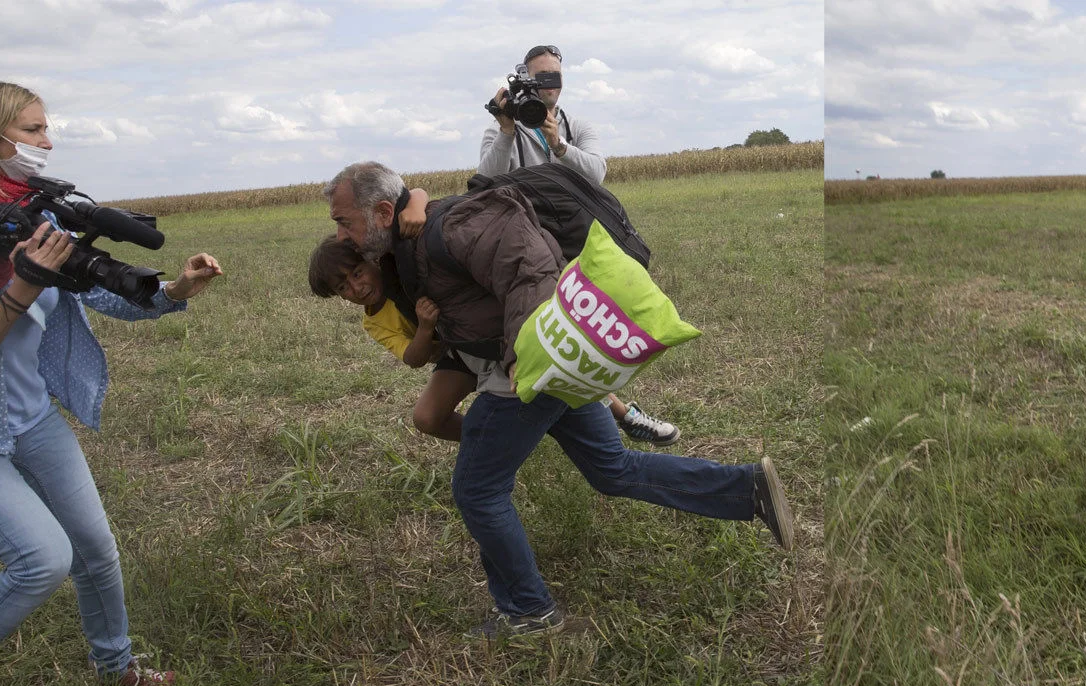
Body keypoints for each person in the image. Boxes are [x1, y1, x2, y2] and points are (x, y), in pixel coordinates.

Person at [324, 161, 796, 638]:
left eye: (344, 221)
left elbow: (528, 265)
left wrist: (518, 357)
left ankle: (529, 610)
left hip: (525, 371)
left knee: (477, 490)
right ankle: (746, 488)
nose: (342, 235)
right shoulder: (406, 239)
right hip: (542, 367)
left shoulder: (450, 225)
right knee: (614, 470)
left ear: (383, 211)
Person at [0, 78, 225, 686]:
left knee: (94, 547)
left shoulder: (38, 216)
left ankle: (116, 667)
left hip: (28, 416)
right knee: (41, 559)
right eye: (35, 129)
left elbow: (96, 292)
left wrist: (176, 288)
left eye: (46, 127)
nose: (49, 140)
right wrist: (22, 284)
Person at [306, 230, 680, 445]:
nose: (355, 288)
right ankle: (503, 444)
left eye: (356, 274)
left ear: (370, 259)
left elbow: (415, 208)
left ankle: (627, 415)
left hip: (482, 333)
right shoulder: (373, 319)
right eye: (343, 288)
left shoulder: (398, 264)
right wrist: (424, 328)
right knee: (427, 418)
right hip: (451, 353)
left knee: (557, 363)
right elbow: (413, 358)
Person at [479, 44, 605, 185]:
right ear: (525, 81)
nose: (549, 83)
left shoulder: (577, 128)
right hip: (522, 206)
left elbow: (598, 175)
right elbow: (485, 183)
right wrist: (506, 133)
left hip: (569, 206)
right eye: (542, 76)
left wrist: (560, 147)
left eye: (555, 76)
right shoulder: (499, 129)